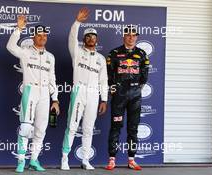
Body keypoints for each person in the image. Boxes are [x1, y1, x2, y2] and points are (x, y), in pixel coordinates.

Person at [6, 15, 60, 173]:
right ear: (33, 36)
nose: (42, 38)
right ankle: (21, 161)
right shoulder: (25, 52)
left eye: (45, 35)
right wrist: (19, 29)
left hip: (44, 93)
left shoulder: (51, 57)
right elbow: (10, 46)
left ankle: (34, 160)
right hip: (30, 91)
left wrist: (55, 99)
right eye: (39, 35)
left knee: (41, 129)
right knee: (25, 128)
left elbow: (53, 79)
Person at [61, 8, 108, 170]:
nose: (90, 38)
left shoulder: (101, 59)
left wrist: (104, 99)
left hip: (94, 94)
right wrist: (77, 22)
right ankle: (65, 159)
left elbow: (104, 80)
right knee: (72, 126)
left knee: (88, 128)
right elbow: (72, 38)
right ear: (84, 39)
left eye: (93, 37)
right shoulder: (77, 52)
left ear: (96, 40)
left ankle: (85, 160)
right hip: (79, 91)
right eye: (88, 36)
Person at [105, 25, 150, 171]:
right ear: (123, 36)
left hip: (135, 96)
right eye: (128, 35)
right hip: (119, 95)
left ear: (137, 37)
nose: (131, 37)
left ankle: (131, 159)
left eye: (134, 35)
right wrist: (114, 90)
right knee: (116, 127)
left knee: (133, 128)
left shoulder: (142, 54)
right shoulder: (114, 53)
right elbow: (109, 75)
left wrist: (136, 89)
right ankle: (112, 159)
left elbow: (144, 76)